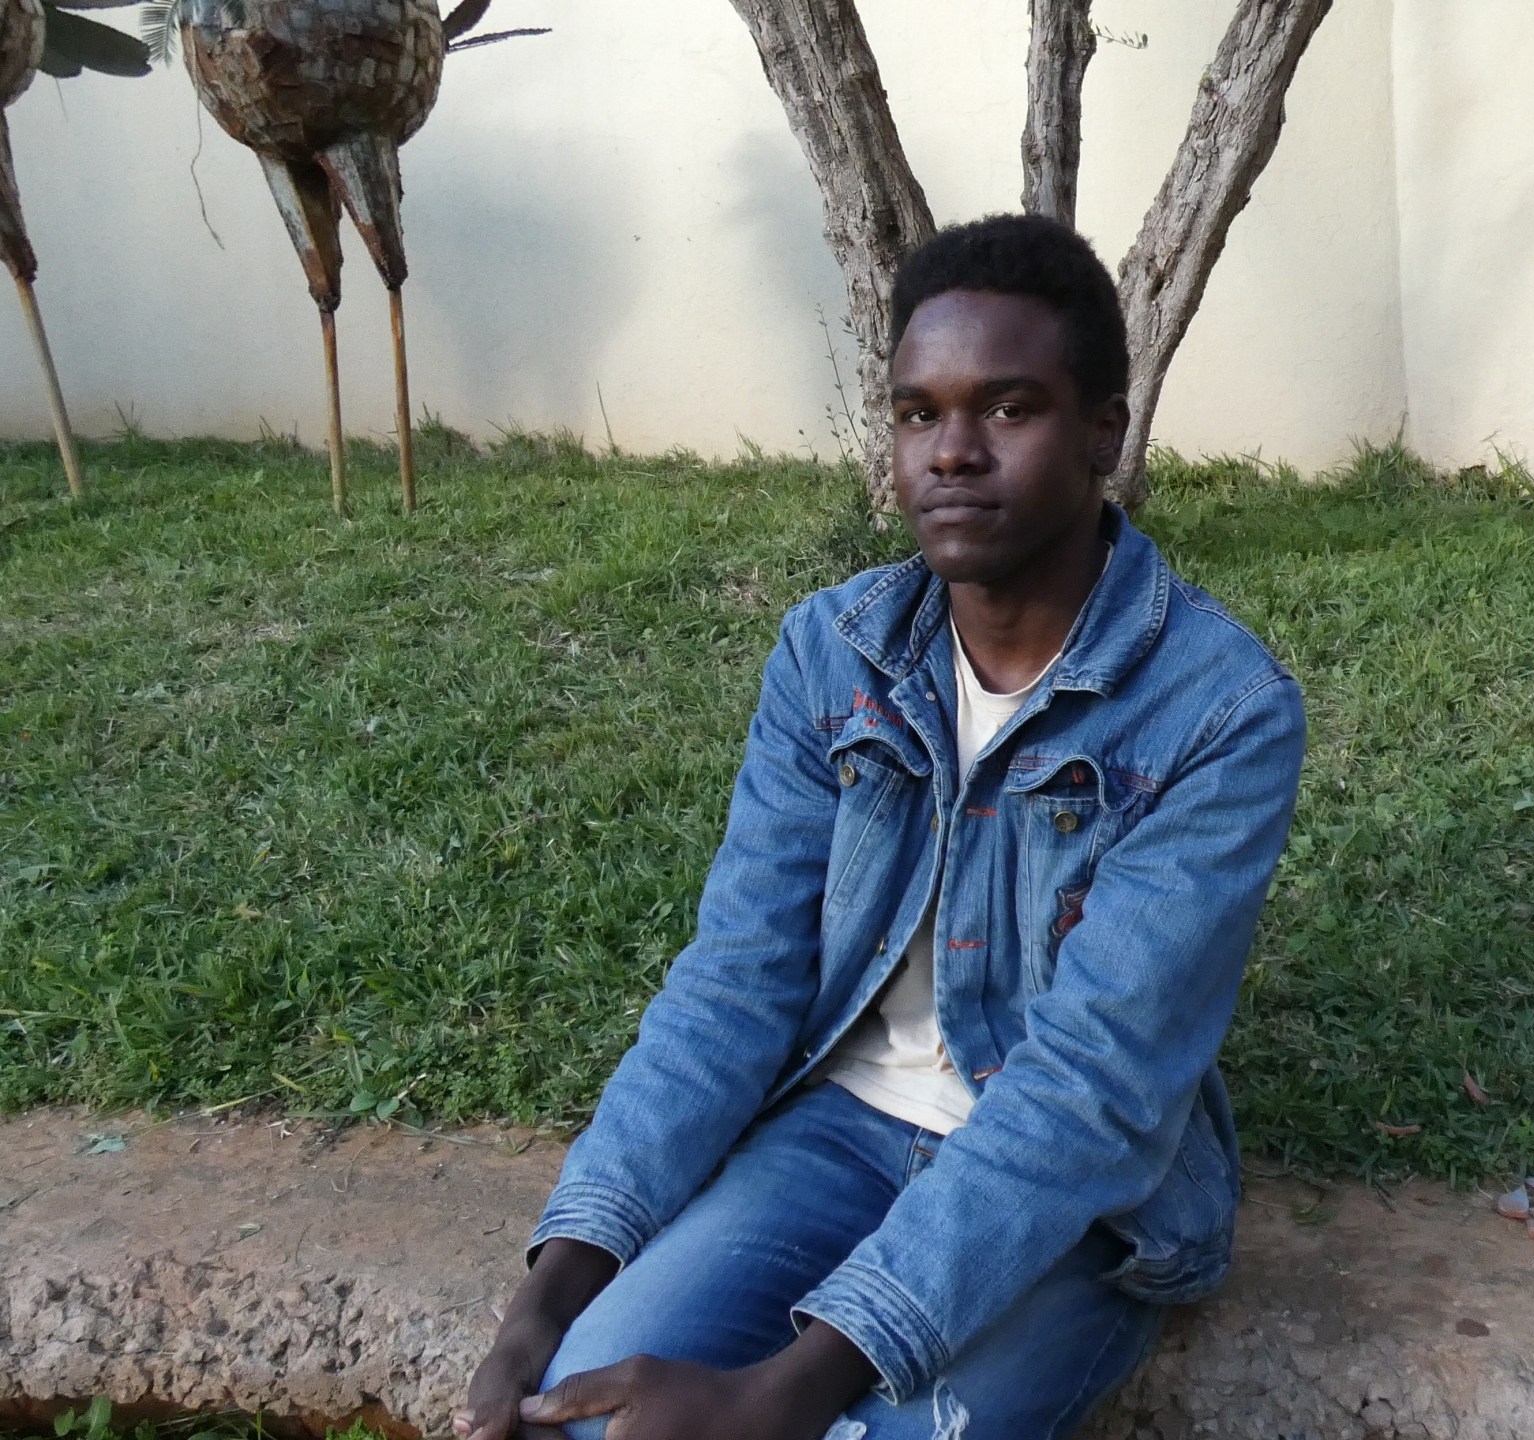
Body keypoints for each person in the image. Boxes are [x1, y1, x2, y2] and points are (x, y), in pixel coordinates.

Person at [455, 213, 1306, 1440]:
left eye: (1007, 408)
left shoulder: (1218, 710)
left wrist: (785, 1394)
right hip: (834, 1135)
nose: (951, 452)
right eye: (918, 413)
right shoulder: (834, 654)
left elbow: (1092, 1093)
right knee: (585, 1410)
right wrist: (549, 1297)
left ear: (1104, 432)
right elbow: (734, 984)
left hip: (1069, 1211)